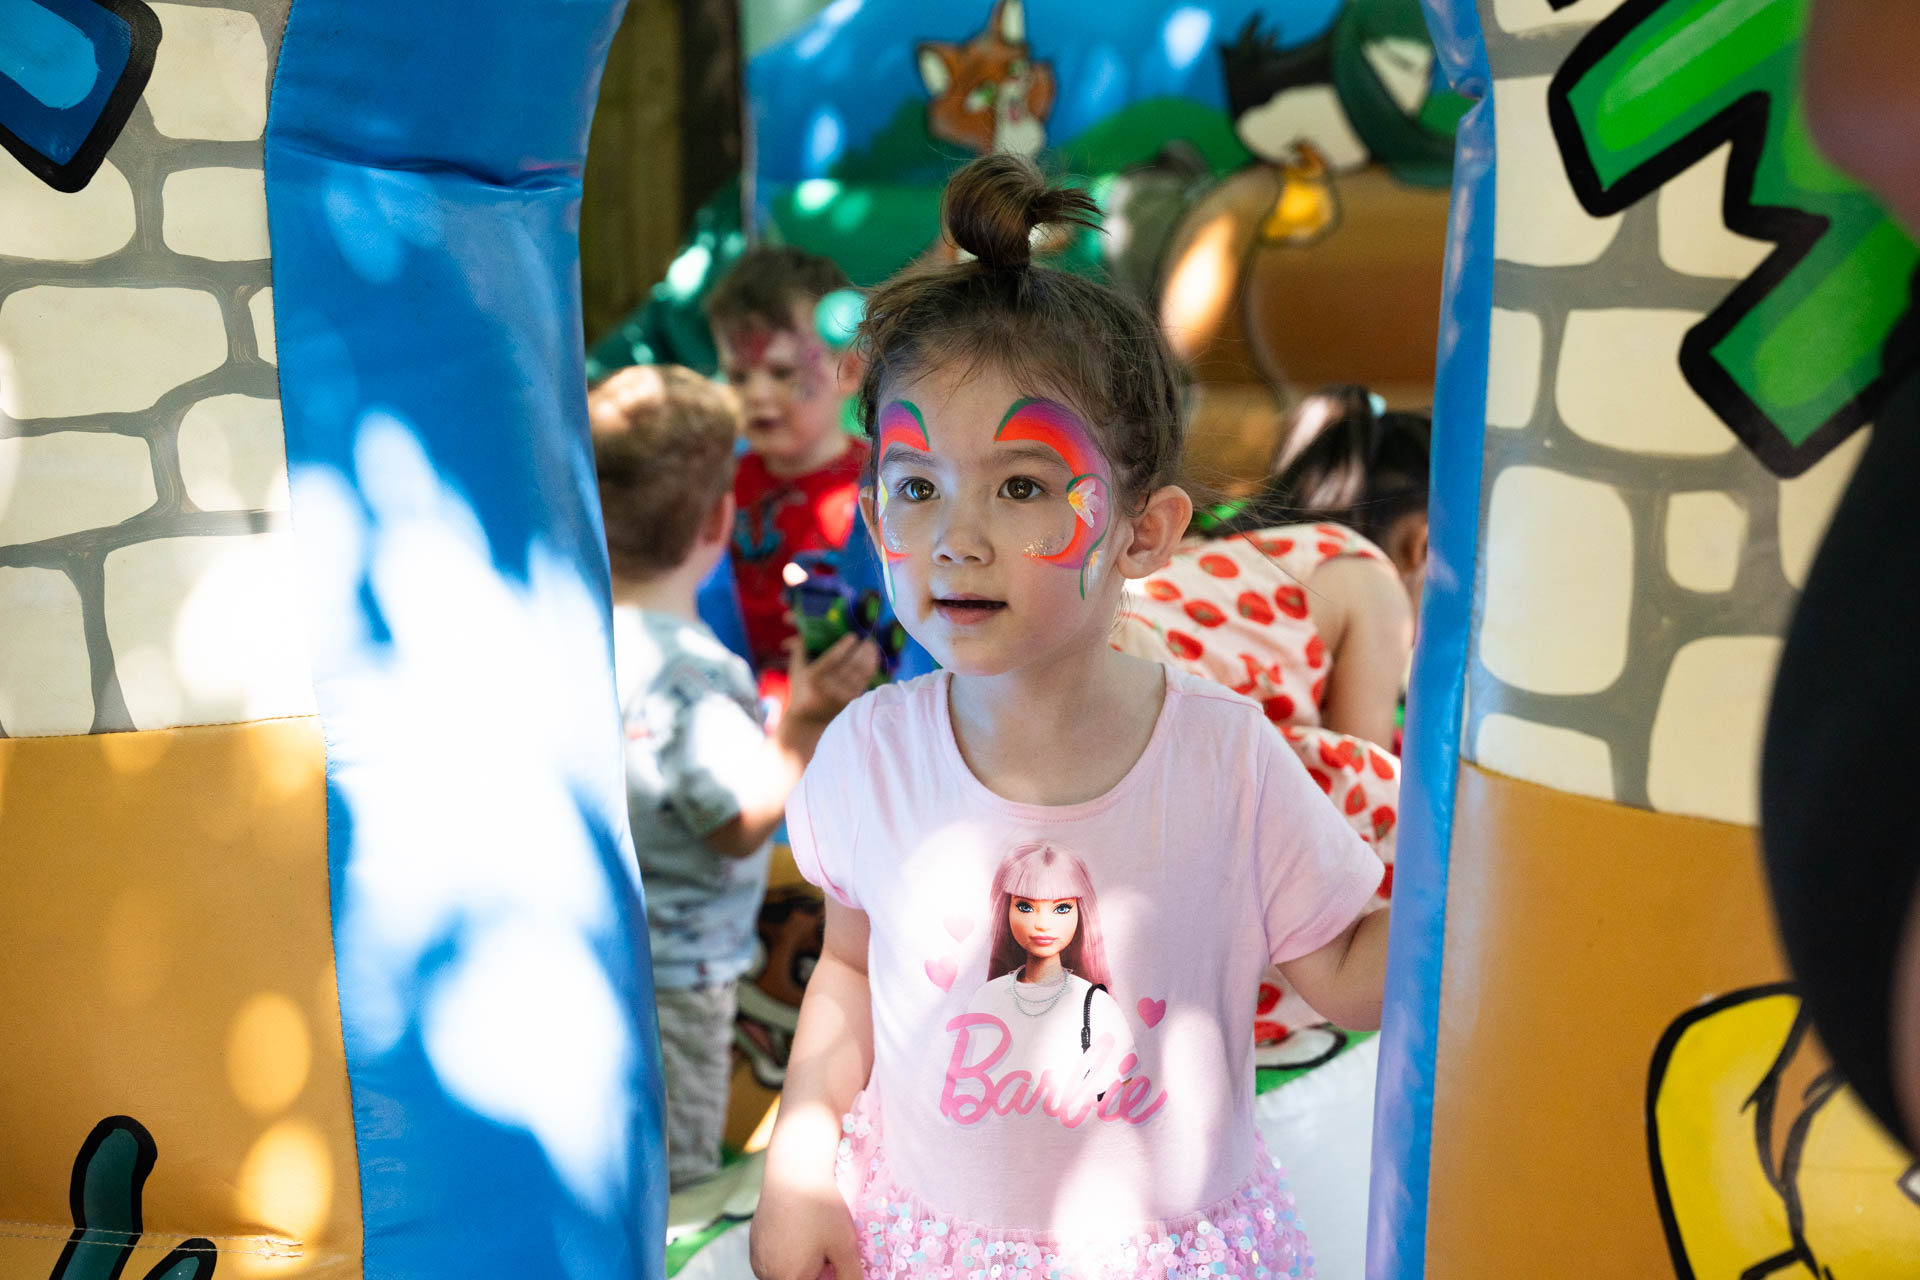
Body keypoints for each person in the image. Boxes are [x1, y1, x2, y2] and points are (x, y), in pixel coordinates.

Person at [750, 155, 1389, 1280]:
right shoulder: (869, 757)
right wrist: (798, 1162)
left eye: (1023, 486)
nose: (957, 539)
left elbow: (1343, 970)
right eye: (917, 486)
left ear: (1146, 532)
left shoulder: (1226, 759)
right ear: (876, 516)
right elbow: (846, 969)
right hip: (923, 1247)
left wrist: (1483, 853)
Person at [589, 365, 878, 1189]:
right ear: (721, 519)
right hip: (680, 977)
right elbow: (738, 822)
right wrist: (806, 722)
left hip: (602, 952)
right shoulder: (693, 675)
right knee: (676, 1174)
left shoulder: (579, 638)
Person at [704, 246, 869, 707]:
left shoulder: (881, 487)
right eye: (738, 376)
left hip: (845, 708)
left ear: (848, 370)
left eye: (782, 372)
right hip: (736, 702)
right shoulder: (716, 483)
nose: (757, 394)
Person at [960, 842, 1135, 1102]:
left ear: (1080, 911)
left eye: (1061, 908)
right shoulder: (987, 997)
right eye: (1025, 907)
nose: (1042, 924)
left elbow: (1124, 1093)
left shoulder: (1096, 1004)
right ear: (1006, 909)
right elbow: (967, 1087)